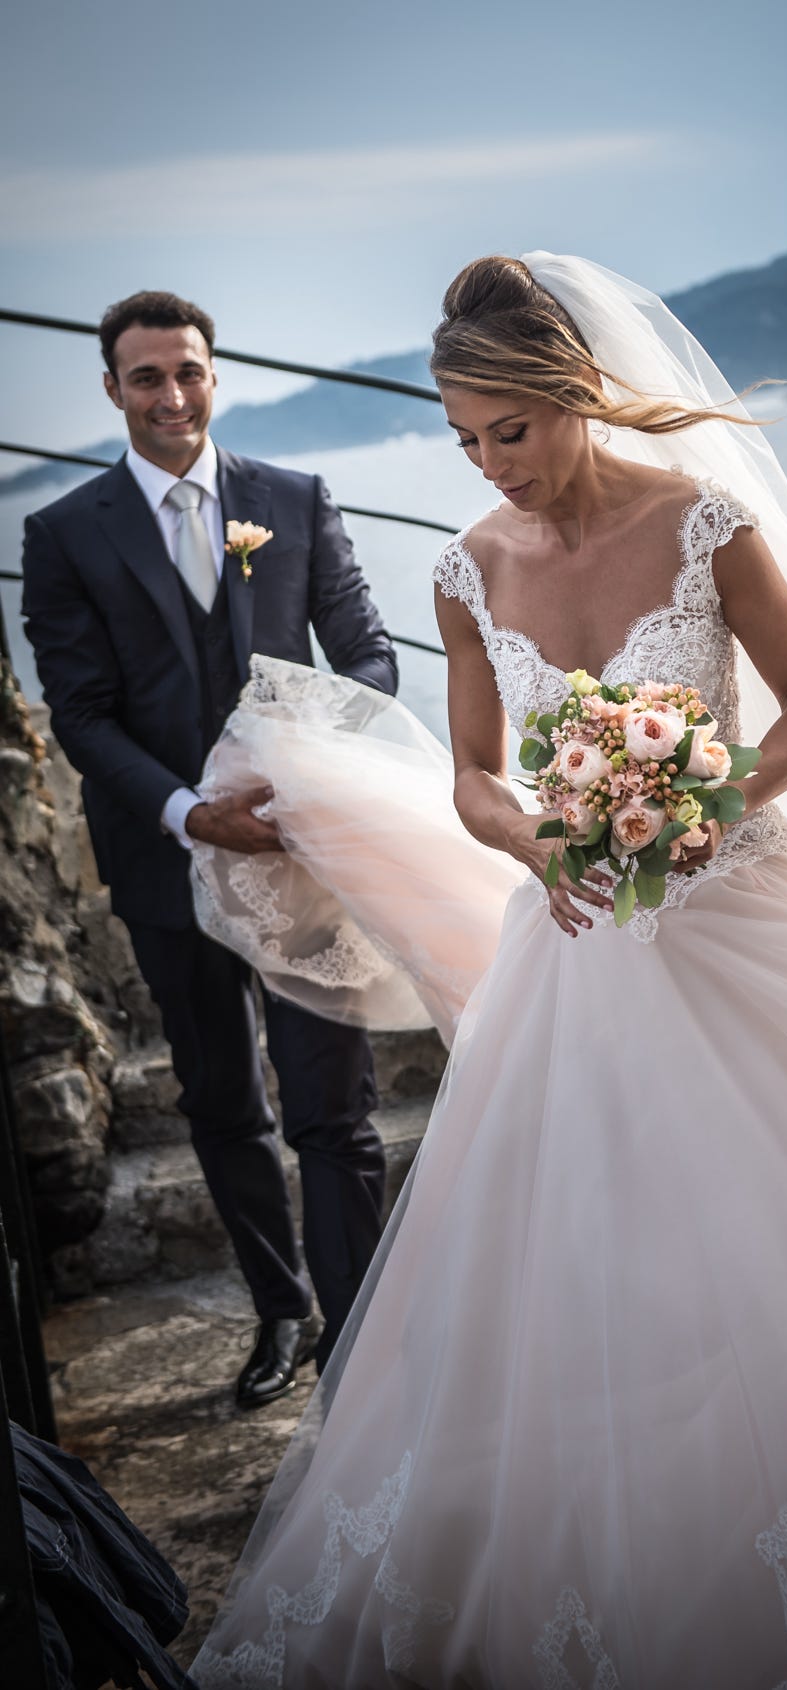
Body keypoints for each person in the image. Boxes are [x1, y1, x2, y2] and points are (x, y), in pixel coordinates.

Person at [192, 255, 787, 1687]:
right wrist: (541, 845)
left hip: (755, 916)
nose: (490, 465)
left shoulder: (708, 524)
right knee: (597, 1253)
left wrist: (716, 803)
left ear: (574, 395)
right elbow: (474, 776)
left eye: (512, 428)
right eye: (462, 439)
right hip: (574, 949)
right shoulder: (466, 567)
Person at [21, 291, 398, 1405]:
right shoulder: (63, 535)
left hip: (301, 856)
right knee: (224, 1100)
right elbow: (81, 715)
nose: (171, 396)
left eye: (187, 371)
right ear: (112, 389)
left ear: (213, 374)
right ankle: (282, 1313)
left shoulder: (294, 498)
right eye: (147, 377)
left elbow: (368, 660)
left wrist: (302, 772)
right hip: (165, 865)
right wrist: (191, 812)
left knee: (337, 1108)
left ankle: (364, 1331)